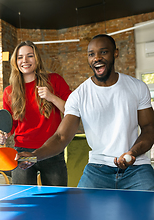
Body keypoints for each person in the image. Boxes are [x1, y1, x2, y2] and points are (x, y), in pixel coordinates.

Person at [17, 34, 154, 190]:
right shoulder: (78, 96)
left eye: (103, 52)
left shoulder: (137, 87)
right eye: (91, 54)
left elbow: (149, 128)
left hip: (137, 167)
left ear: (115, 53)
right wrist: (35, 155)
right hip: (97, 169)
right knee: (79, 212)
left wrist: (133, 152)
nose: (97, 58)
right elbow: (61, 137)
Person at [0, 40, 72, 186]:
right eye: (20, 57)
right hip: (24, 153)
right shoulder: (9, 91)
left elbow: (71, 112)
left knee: (56, 200)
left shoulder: (54, 80)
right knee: (23, 200)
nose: (25, 60)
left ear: (36, 58)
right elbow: (12, 124)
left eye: (29, 56)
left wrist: (52, 97)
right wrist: (3, 134)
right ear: (15, 61)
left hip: (51, 151)